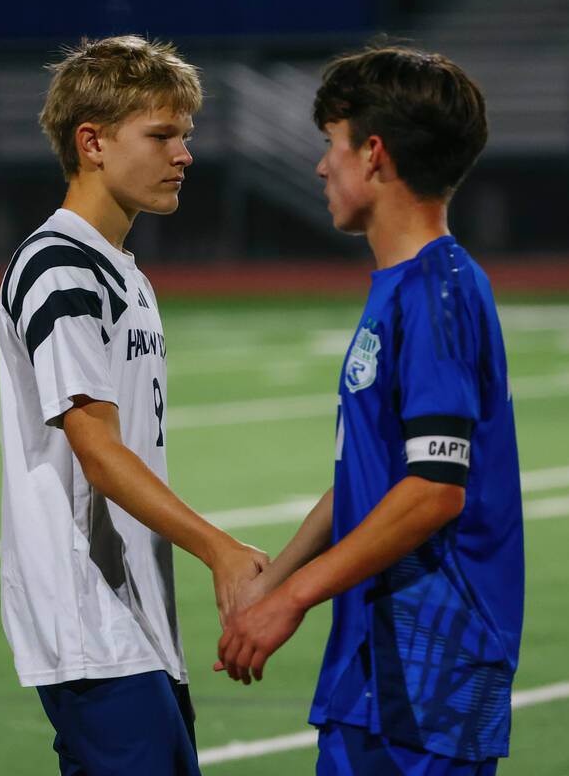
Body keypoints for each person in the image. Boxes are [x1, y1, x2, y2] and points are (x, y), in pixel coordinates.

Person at [215, 44, 525, 776]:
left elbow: (432, 491)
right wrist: (274, 576)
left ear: (374, 154)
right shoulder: (403, 287)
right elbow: (377, 474)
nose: (323, 165)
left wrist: (292, 599)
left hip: (431, 675)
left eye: (332, 144)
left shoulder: (436, 293)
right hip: (375, 669)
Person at [0, 35, 269, 775]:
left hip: (136, 617)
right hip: (90, 617)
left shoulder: (122, 273)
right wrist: (219, 549)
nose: (183, 155)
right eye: (161, 136)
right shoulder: (60, 267)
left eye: (185, 136)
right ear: (92, 142)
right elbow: (97, 447)